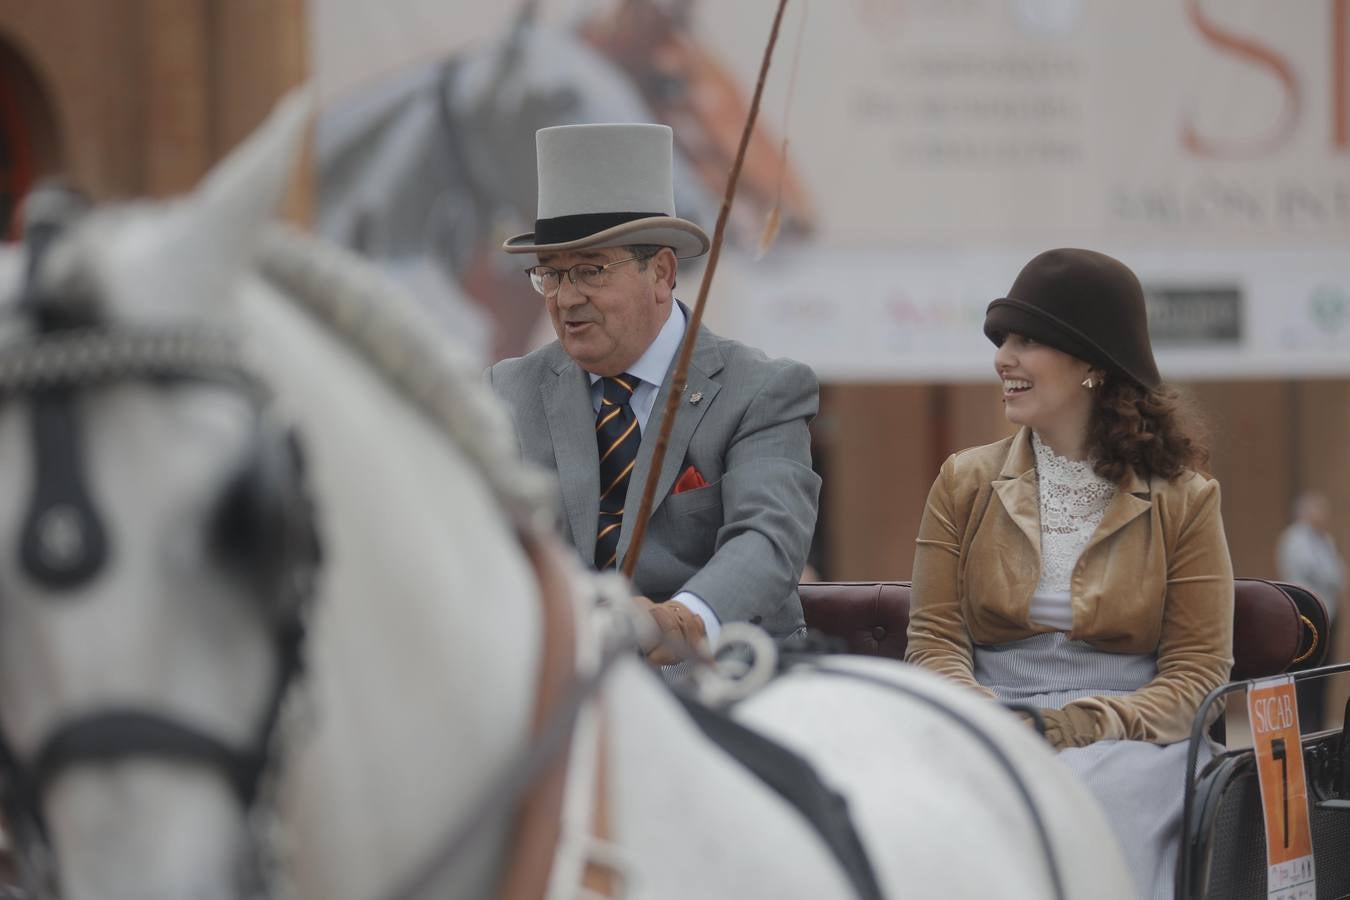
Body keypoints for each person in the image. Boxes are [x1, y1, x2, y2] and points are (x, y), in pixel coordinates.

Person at [905, 248, 1234, 900]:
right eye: (1003, 341)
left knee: (1089, 811)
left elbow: (1197, 675)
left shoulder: (1185, 498)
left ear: (1091, 366)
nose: (1003, 358)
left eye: (1027, 341)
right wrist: (982, 712)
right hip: (987, 724)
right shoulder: (963, 481)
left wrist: (1077, 727)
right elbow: (933, 643)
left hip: (1134, 739)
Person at [487, 123, 820, 664]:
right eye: (550, 275)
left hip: (722, 684)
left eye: (591, 271)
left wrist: (682, 620)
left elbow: (768, 539)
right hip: (564, 690)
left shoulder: (763, 391)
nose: (566, 298)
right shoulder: (508, 390)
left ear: (662, 273)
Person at [1277, 491, 1346, 730]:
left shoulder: (1325, 540)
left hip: (1330, 614)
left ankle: (1319, 724)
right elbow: (1316, 571)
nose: (1323, 516)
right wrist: (1333, 575)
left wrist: (1334, 576)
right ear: (1305, 512)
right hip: (1305, 616)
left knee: (1324, 672)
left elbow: (1340, 575)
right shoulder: (1294, 539)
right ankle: (1304, 726)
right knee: (1306, 671)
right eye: (1318, 510)